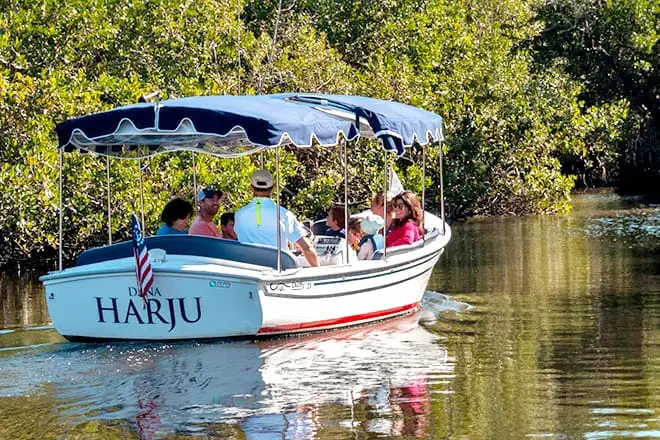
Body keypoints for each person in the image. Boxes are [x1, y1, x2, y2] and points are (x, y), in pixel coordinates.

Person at [235, 169, 319, 267]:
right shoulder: (284, 214)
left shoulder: (239, 215)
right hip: (278, 270)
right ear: (273, 188)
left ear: (251, 188)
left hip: (249, 270)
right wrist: (318, 269)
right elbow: (307, 248)